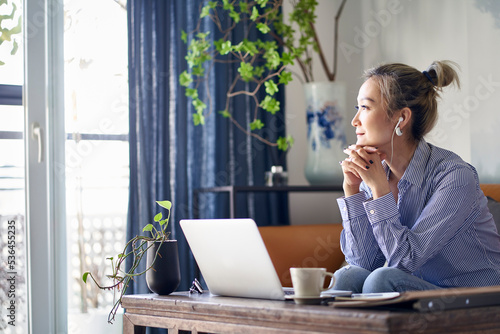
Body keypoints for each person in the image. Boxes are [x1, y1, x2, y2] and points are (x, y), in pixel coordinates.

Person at [333, 60, 500, 293]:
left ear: (401, 118)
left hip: (477, 298)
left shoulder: (455, 176)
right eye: (357, 108)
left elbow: (405, 261)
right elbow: (363, 263)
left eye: (366, 107)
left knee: (380, 282)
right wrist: (352, 190)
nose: (355, 121)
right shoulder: (375, 174)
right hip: (424, 292)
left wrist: (380, 192)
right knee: (347, 278)